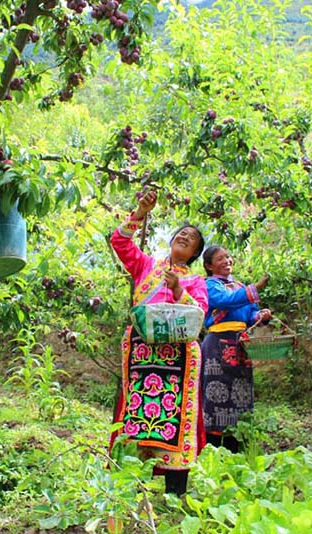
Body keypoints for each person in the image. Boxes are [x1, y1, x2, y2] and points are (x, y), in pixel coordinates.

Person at [108, 189, 208, 496]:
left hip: (178, 359)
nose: (185, 236)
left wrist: (178, 289)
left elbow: (199, 313)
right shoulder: (146, 265)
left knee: (176, 417)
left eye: (191, 238)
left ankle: (175, 493)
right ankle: (132, 487)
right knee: (138, 414)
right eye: (182, 233)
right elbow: (120, 242)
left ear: (194, 253)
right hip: (142, 353)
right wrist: (140, 211)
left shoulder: (196, 281)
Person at [200, 245, 271, 452]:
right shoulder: (209, 286)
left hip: (240, 344)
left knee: (241, 391)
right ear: (209, 266)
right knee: (216, 393)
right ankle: (213, 445)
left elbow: (250, 315)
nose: (227, 261)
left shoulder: (240, 287)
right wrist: (254, 289)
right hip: (216, 346)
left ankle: (239, 441)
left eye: (228, 257)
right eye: (220, 258)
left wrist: (261, 316)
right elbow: (225, 301)